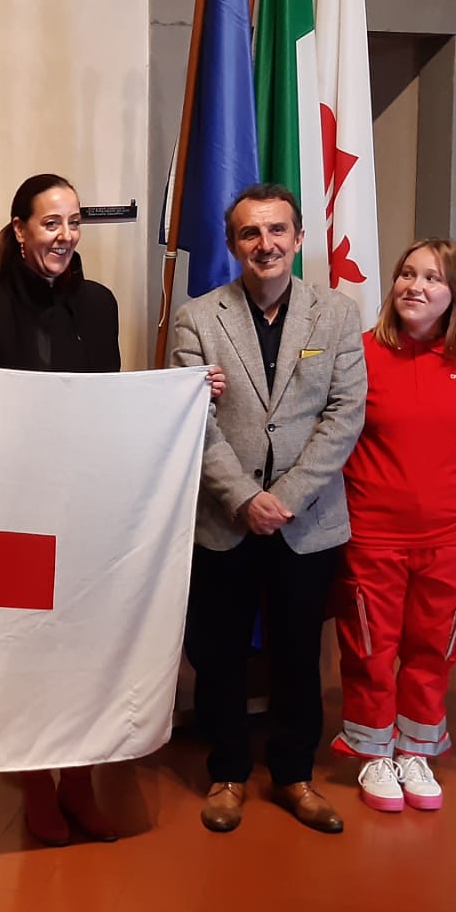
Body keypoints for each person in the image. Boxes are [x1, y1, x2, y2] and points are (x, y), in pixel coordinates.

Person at [170, 182, 367, 835]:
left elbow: (344, 416)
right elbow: (192, 417)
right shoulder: (198, 317)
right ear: (232, 245)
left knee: (295, 652)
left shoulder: (336, 314)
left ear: (299, 237)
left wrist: (280, 500)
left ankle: (293, 774)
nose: (266, 244)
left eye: (278, 230)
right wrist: (244, 498)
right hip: (222, 518)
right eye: (251, 233)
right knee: (218, 650)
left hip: (304, 521)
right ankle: (227, 770)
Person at [0, 173, 121, 845]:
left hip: (82, 510)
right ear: (19, 229)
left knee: (82, 652)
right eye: (50, 223)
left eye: (74, 222)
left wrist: (194, 390)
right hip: (10, 511)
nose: (65, 236)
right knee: (23, 655)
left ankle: (78, 783)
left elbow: (113, 404)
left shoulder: (101, 305)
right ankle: (33, 784)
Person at [332, 239, 456, 813]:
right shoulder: (360, 354)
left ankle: (416, 749)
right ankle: (374, 749)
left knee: (435, 644)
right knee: (371, 646)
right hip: (373, 530)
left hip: (450, 534)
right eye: (407, 274)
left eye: (432, 278)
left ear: (454, 293)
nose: (415, 286)